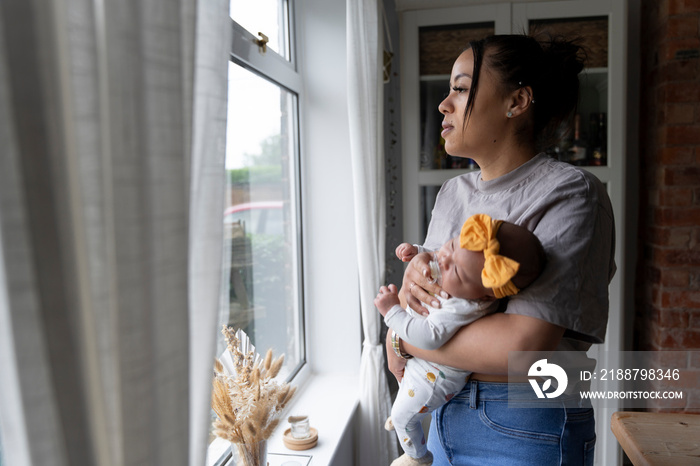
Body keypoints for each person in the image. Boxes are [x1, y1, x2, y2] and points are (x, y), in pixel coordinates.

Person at [386, 34, 616, 465]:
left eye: (460, 87)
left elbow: (523, 349)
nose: (443, 104)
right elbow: (428, 306)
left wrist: (403, 340)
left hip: (525, 421)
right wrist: (409, 302)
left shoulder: (570, 192)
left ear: (517, 101)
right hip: (440, 408)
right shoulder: (452, 193)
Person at [375, 213, 546, 466]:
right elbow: (441, 256)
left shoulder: (462, 306)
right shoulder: (464, 275)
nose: (443, 260)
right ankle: (406, 416)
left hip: (434, 377)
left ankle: (415, 457)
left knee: (403, 416)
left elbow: (428, 338)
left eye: (455, 268)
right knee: (405, 402)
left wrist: (392, 314)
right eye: (453, 244)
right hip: (422, 367)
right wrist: (418, 253)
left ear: (485, 297)